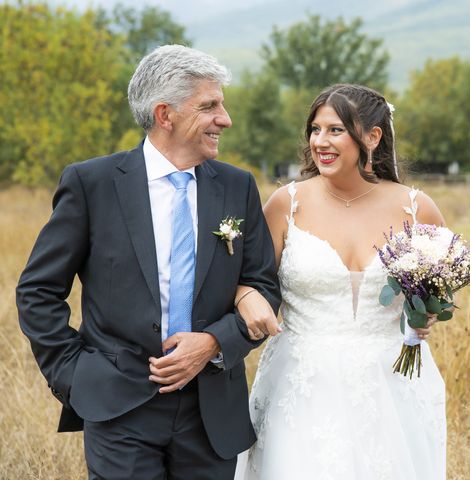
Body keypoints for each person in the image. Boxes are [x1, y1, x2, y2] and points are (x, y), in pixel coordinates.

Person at [15, 44, 280, 479]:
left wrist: (213, 343)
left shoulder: (237, 187)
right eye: (210, 106)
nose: (225, 119)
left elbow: (264, 286)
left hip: (212, 411)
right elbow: (37, 291)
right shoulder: (92, 183)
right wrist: (73, 374)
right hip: (118, 406)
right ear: (165, 114)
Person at [234, 84, 447, 479]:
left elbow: (433, 292)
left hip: (392, 386)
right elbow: (250, 281)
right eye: (315, 130)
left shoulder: (417, 209)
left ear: (372, 136)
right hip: (301, 386)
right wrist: (245, 294)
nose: (320, 141)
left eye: (335, 130)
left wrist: (426, 316)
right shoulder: (287, 204)